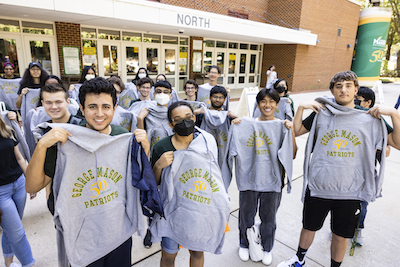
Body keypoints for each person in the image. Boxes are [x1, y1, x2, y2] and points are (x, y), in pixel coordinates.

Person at [278, 71, 400, 267]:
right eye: (338, 86)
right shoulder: (322, 112)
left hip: (350, 190)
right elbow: (297, 130)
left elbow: (397, 143)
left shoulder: (368, 116)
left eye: (348, 85)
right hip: (320, 185)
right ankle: (298, 259)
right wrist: (300, 108)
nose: (343, 89)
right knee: (309, 227)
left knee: (340, 235)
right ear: (332, 90)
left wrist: (394, 114)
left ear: (356, 89)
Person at [25, 77, 150, 266]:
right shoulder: (65, 140)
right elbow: (32, 186)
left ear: (115, 109)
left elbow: (138, 180)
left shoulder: (122, 137)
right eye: (92, 107)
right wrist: (42, 145)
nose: (99, 113)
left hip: (119, 232)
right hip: (83, 238)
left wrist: (144, 150)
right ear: (81, 109)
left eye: (106, 107)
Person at [150, 101, 230, 267]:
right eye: (177, 119)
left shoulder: (206, 142)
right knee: (168, 255)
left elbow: (213, 175)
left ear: (194, 118)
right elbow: (153, 183)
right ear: (171, 124)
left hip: (198, 209)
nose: (184, 122)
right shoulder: (161, 147)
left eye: (188, 117)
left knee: (196, 251)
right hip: (172, 211)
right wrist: (158, 165)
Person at [224, 88, 296, 265]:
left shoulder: (282, 126)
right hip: (249, 178)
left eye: (272, 101)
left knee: (269, 218)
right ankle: (244, 244)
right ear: (257, 104)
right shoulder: (245, 124)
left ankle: (267, 247)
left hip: (272, 180)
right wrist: (238, 125)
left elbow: (291, 154)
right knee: (246, 215)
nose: (267, 105)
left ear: (277, 105)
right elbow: (232, 149)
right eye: (263, 101)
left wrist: (291, 131)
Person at [353, 86, 391, 246]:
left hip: (365, 173)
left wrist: (378, 149)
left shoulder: (377, 121)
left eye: (358, 100)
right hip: (347, 170)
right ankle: (340, 228)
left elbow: (388, 149)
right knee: (344, 204)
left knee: (362, 204)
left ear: (368, 102)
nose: (354, 103)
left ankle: (358, 229)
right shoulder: (350, 115)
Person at [0, 115, 36, 267]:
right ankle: (29, 264)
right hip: (1, 193)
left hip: (19, 185)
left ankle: (9, 262)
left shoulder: (7, 131)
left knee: (12, 227)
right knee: (17, 232)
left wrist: (31, 180)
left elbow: (20, 158)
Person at [194, 86, 236, 167]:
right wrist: (197, 112)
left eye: (221, 97)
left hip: (221, 156)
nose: (217, 100)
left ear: (224, 99)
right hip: (203, 154)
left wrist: (237, 118)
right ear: (210, 97)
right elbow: (184, 117)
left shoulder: (229, 117)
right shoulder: (201, 115)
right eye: (215, 97)